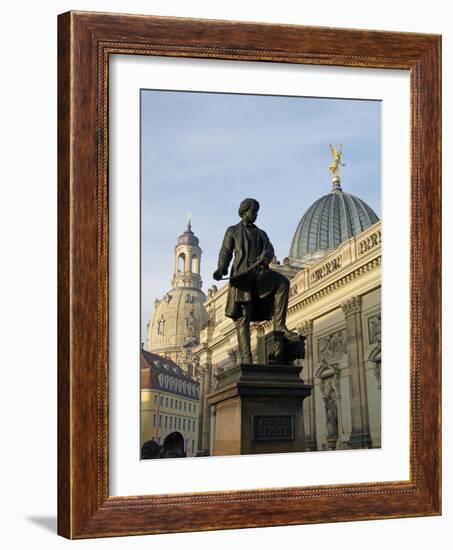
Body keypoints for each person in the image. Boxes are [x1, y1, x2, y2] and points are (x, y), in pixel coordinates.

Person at [213, 198, 294, 364]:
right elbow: (225, 253)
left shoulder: (261, 233)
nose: (255, 215)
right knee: (244, 315)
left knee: (282, 283)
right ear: (244, 211)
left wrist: (266, 256)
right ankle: (246, 358)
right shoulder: (233, 231)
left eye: (257, 212)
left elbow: (270, 248)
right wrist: (221, 269)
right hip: (243, 277)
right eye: (253, 211)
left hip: (259, 274)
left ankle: (279, 325)